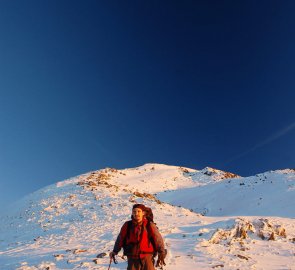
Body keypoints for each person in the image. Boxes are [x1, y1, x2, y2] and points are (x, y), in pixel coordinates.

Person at [109, 204, 166, 270]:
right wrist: (115, 251)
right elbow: (120, 239)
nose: (136, 213)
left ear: (143, 213)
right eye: (134, 212)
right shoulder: (127, 225)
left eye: (139, 211)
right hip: (132, 258)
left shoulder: (149, 225)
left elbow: (158, 239)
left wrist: (161, 252)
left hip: (147, 258)